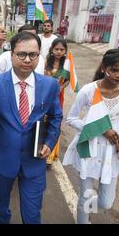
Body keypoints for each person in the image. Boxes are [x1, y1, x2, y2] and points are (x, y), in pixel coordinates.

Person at [0, 32, 63, 224]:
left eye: (33, 55)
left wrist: (49, 142)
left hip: (35, 161)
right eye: (22, 54)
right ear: (11, 54)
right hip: (3, 160)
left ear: (39, 56)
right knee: (2, 205)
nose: (27, 59)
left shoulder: (50, 85)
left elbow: (56, 117)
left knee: (32, 215)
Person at [63, 49, 119, 224]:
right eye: (114, 69)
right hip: (89, 147)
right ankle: (84, 217)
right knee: (85, 197)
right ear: (104, 67)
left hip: (113, 150)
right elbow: (71, 118)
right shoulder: (89, 90)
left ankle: (87, 208)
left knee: (106, 202)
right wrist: (101, 129)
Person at [44, 38, 70, 166]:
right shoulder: (46, 63)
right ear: (52, 50)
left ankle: (52, 153)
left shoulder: (67, 65)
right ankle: (43, 146)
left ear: (65, 51)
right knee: (45, 120)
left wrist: (60, 88)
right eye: (56, 49)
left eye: (62, 49)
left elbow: (68, 80)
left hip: (58, 96)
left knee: (56, 121)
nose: (59, 52)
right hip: (45, 95)